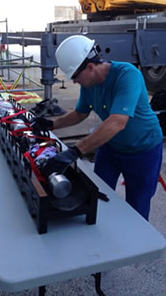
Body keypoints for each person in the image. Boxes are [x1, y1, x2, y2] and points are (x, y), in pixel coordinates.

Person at [31, 35, 163, 221]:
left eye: (75, 77)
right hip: (110, 146)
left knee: (138, 206)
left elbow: (118, 121)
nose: (75, 82)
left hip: (143, 150)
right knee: (95, 192)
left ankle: (139, 248)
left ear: (91, 67)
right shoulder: (89, 83)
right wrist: (51, 124)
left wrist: (76, 150)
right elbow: (79, 113)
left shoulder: (127, 75)